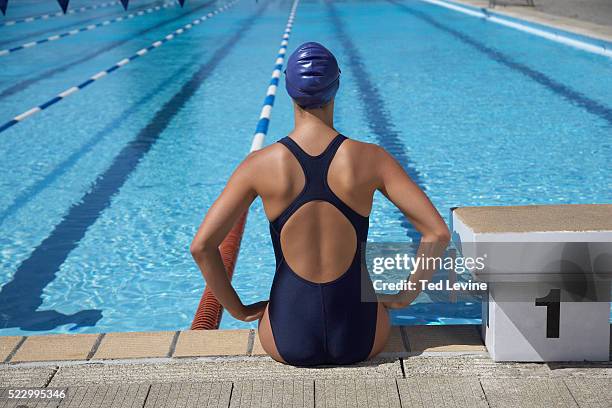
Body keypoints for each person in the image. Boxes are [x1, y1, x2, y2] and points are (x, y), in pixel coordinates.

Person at [190, 42, 450, 366]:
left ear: (288, 89)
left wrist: (239, 310)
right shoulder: (371, 159)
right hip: (361, 337)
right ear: (336, 87)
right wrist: (404, 297)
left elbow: (203, 247)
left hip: (287, 339)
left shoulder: (259, 164)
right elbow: (437, 234)